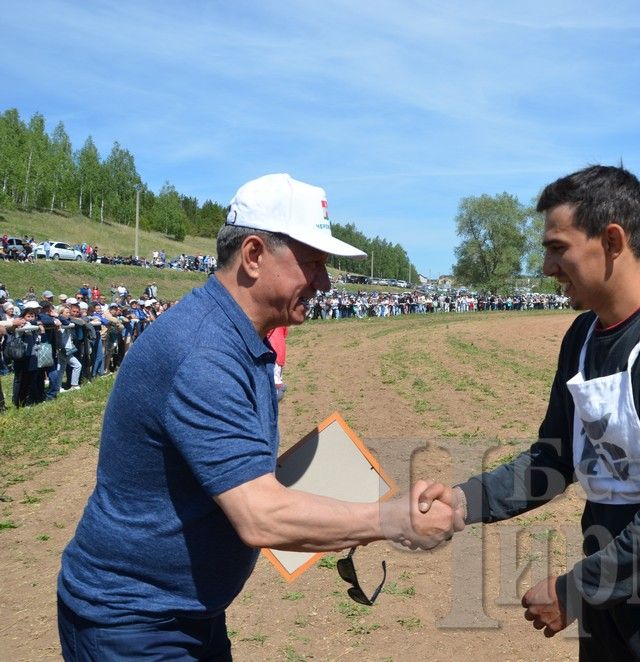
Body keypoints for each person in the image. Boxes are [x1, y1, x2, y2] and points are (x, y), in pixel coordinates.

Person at [57, 173, 458, 660]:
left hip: (183, 613)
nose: (325, 283)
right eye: (312, 263)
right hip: (134, 622)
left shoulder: (238, 338)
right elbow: (259, 515)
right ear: (252, 255)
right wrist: (392, 519)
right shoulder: (204, 354)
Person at [420, 165, 640, 661]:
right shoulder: (582, 337)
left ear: (613, 240)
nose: (547, 268)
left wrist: (578, 589)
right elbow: (556, 458)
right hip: (614, 591)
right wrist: (464, 500)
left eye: (558, 248)